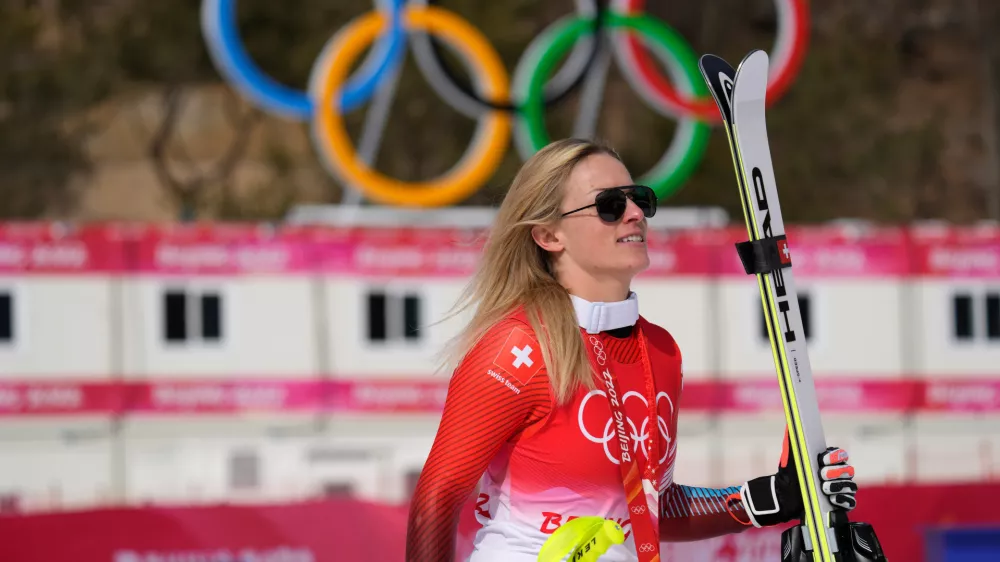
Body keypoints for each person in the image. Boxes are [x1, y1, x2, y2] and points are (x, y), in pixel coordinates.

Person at [405, 138, 858, 562]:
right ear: (548, 235)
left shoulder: (659, 351)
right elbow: (438, 496)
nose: (635, 213)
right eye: (609, 205)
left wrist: (762, 500)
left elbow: (650, 503)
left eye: (639, 199)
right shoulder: (519, 347)